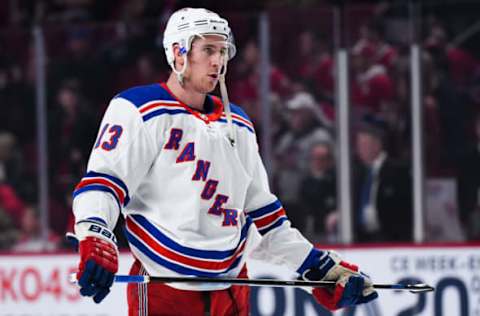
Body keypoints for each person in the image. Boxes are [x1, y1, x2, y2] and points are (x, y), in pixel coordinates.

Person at [68, 8, 378, 315]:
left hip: (232, 290)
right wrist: (95, 234)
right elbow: (104, 181)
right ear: (179, 54)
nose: (218, 61)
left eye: (222, 51)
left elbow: (263, 217)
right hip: (165, 288)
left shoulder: (239, 124)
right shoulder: (139, 109)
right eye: (208, 50)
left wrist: (316, 267)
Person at [353, 123, 412, 242]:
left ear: (377, 145)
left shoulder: (397, 171)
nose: (359, 150)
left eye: (364, 145)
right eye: (358, 145)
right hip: (362, 237)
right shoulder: (358, 172)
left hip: (391, 237)